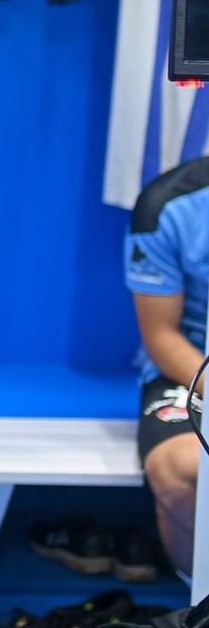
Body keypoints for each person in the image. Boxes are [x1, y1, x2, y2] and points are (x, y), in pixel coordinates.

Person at [127, 157, 209, 578]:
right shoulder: (168, 205)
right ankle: (198, 598)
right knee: (180, 471)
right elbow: (161, 337)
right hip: (192, 368)